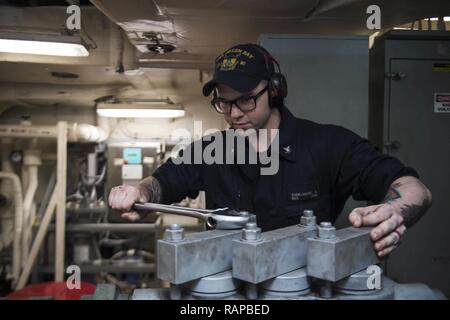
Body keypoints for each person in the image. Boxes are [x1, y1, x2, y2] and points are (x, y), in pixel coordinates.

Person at [109, 43, 432, 257]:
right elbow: (161, 183)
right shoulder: (210, 150)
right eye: (224, 102)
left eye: (247, 99)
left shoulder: (328, 144)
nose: (234, 113)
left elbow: (413, 189)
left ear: (275, 91)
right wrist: (140, 191)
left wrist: (394, 210)